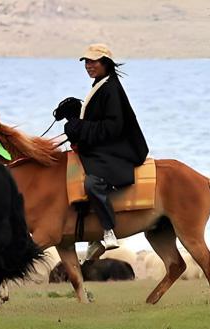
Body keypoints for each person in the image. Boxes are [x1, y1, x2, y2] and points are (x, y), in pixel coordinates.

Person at [56, 43, 148, 250]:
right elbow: (98, 119)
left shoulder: (111, 88)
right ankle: (91, 235)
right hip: (105, 147)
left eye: (93, 61)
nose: (88, 65)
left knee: (92, 184)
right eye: (86, 62)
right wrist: (76, 115)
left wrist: (79, 127)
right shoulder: (101, 84)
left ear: (105, 63)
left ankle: (108, 231)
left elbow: (112, 127)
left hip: (118, 151)